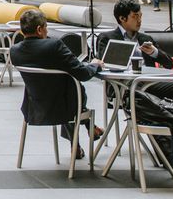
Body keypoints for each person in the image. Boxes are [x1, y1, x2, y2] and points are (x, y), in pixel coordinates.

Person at [11, 8, 104, 155]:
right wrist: (95, 64)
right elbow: (83, 74)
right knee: (72, 91)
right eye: (46, 27)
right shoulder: (55, 46)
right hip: (65, 109)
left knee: (62, 88)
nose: (47, 31)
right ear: (40, 29)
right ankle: (86, 127)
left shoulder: (15, 51)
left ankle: (77, 144)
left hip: (34, 107)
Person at [96, 0, 173, 112]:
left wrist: (154, 52)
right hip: (123, 86)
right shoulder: (107, 38)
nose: (139, 20)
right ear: (122, 18)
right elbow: (105, 65)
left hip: (149, 84)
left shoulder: (145, 39)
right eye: (135, 16)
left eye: (140, 16)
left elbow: (169, 63)